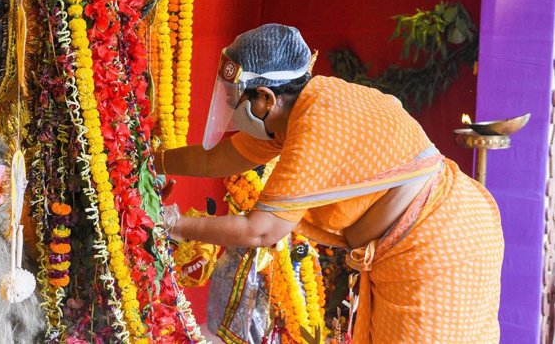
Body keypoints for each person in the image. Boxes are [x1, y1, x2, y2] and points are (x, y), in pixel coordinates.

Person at [155, 23, 504, 343]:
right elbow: (219, 158)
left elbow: (261, 231)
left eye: (236, 100)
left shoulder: (315, 125)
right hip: (420, 239)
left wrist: (173, 225)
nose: (230, 108)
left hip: (439, 247)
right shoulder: (294, 109)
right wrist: (154, 160)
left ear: (265, 98)